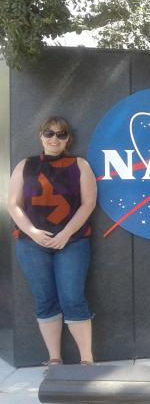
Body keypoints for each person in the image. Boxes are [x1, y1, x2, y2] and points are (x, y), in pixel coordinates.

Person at [6, 117, 97, 366]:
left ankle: (86, 360)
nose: (54, 138)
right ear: (41, 136)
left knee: (72, 298)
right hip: (31, 243)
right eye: (49, 133)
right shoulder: (26, 165)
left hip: (73, 241)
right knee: (45, 298)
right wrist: (33, 232)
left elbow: (88, 203)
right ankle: (54, 358)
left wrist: (66, 233)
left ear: (68, 139)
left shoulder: (80, 165)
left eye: (61, 134)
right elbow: (13, 204)